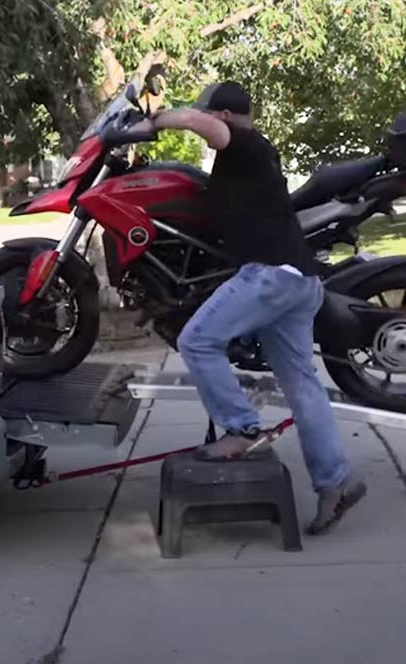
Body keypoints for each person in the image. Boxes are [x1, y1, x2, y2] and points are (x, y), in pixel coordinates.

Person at [132, 81, 366, 534]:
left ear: (222, 117)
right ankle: (337, 482)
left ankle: (241, 430)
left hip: (271, 277)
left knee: (197, 341)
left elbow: (203, 124)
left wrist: (151, 122)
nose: (203, 124)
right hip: (298, 281)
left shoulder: (243, 144)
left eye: (208, 116)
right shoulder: (253, 153)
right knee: (302, 387)